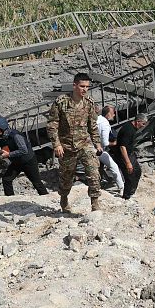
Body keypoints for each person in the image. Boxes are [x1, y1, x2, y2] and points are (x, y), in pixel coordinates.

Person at [46, 73, 103, 212]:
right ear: (74, 85)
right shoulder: (61, 102)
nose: (85, 89)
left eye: (87, 87)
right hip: (66, 147)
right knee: (67, 178)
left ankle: (95, 203)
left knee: (94, 172)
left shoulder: (89, 103)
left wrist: (97, 143)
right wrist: (57, 144)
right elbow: (52, 125)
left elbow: (92, 125)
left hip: (84, 144)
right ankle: (64, 199)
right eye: (82, 86)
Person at [114, 113, 148, 200]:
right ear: (138, 121)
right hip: (123, 156)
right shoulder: (128, 130)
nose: (143, 126)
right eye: (143, 124)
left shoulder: (133, 128)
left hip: (130, 154)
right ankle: (126, 197)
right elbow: (122, 147)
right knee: (129, 176)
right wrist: (128, 162)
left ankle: (131, 192)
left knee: (137, 172)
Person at [96, 105, 124, 195]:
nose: (114, 115)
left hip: (88, 146)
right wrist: (114, 143)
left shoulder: (97, 119)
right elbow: (105, 143)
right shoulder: (105, 124)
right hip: (97, 150)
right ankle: (121, 188)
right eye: (113, 113)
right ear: (108, 114)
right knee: (113, 167)